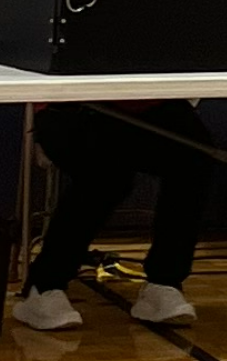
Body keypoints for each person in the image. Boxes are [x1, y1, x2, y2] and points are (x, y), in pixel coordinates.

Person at [13, 99, 215, 330]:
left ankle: (164, 282)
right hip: (72, 106)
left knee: (195, 155)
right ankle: (45, 285)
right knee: (106, 175)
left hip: (152, 103)